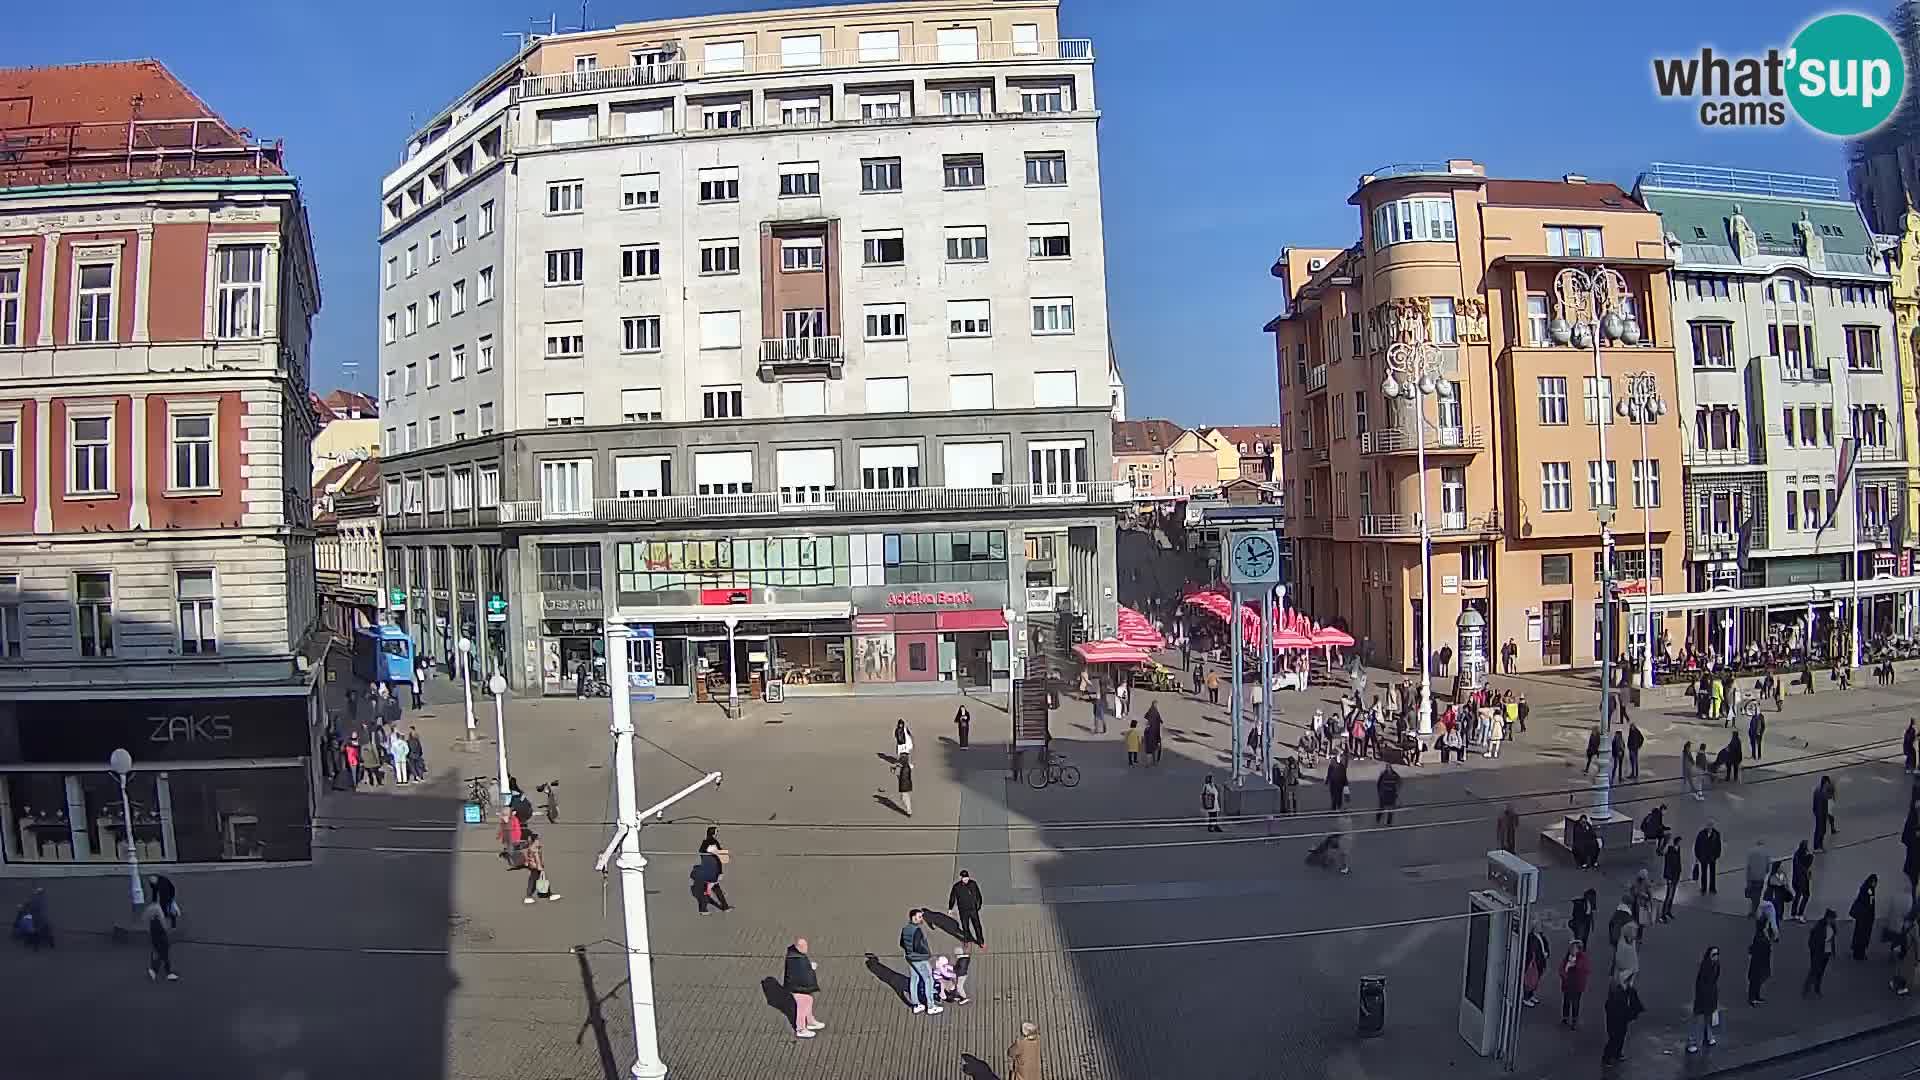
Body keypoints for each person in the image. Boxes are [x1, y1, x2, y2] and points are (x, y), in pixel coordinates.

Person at [899, 909, 941, 1014]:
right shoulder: (917, 930)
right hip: (920, 959)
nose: (922, 919)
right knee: (928, 980)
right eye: (919, 917)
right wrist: (927, 953)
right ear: (913, 917)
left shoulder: (905, 929)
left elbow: (901, 943)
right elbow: (919, 946)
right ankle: (931, 1006)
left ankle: (916, 1005)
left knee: (914, 979)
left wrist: (909, 951)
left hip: (910, 958)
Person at [784, 938, 824, 1038]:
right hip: (798, 988)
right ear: (798, 947)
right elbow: (801, 974)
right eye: (804, 946)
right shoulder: (796, 959)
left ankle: (810, 1021)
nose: (806, 948)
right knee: (802, 1008)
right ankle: (801, 1029)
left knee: (809, 1000)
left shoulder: (796, 956)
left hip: (801, 987)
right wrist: (811, 969)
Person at [1601, 978, 1643, 1067]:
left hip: (1620, 1013)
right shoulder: (1617, 989)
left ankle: (1616, 1054)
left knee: (1620, 1035)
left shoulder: (1625, 989)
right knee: (1615, 1036)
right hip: (1616, 1013)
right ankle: (1607, 1057)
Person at [1687, 946, 1721, 1053]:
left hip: (1711, 995)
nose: (1716, 957)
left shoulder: (1717, 965)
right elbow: (1700, 984)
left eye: (1717, 954)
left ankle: (1708, 1037)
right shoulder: (1705, 967)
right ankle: (1691, 1042)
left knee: (1708, 1019)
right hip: (1703, 997)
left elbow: (1715, 980)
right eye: (1713, 954)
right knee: (1697, 1020)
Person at [1749, 900, 1779, 1004]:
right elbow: (1773, 936)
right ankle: (1753, 997)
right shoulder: (1763, 928)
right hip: (1760, 954)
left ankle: (1755, 996)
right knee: (1757, 976)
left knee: (1757, 976)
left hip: (1760, 954)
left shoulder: (1760, 925)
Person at [948, 869, 986, 947]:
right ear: (961, 878)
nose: (966, 879)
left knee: (977, 926)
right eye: (964, 878)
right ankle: (967, 940)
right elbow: (952, 897)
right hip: (963, 911)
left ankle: (980, 941)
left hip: (973, 910)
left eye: (967, 877)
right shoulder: (956, 887)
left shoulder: (973, 884)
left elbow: (978, 895)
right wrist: (950, 908)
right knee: (965, 927)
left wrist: (978, 906)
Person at [520, 832, 559, 904]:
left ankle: (549, 894)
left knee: (539, 880)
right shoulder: (533, 849)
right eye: (537, 839)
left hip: (535, 866)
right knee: (534, 881)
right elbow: (536, 859)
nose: (539, 840)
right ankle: (529, 897)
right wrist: (540, 867)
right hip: (535, 867)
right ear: (534, 840)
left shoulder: (535, 848)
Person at [1560, 939, 1592, 1029]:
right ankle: (1565, 1017)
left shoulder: (1582, 958)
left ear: (1578, 949)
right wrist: (1563, 974)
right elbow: (1562, 967)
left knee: (1575, 1003)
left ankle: (1574, 1020)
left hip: (1577, 985)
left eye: (1574, 948)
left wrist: (1573, 966)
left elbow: (1585, 969)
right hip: (1567, 984)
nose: (1572, 950)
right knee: (1566, 1001)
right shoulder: (1567, 957)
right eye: (1571, 948)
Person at [1805, 909, 1837, 997]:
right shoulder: (1819, 927)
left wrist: (1832, 952)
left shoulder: (1832, 926)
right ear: (1827, 918)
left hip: (1826, 953)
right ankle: (1807, 988)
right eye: (1832, 919)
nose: (1833, 921)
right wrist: (1814, 951)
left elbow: (1832, 940)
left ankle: (1817, 988)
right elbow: (1812, 942)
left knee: (1821, 972)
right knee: (1814, 970)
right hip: (1818, 953)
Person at [145, 900, 177, 982]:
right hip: (161, 941)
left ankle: (156, 971)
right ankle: (164, 972)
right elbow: (162, 932)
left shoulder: (153, 922)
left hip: (158, 941)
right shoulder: (157, 922)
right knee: (163, 956)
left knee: (161, 956)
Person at [1522, 921, 1551, 1006]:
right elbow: (1531, 952)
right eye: (1538, 926)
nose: (1540, 928)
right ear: (1534, 927)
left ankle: (1531, 995)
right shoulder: (1531, 938)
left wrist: (1546, 953)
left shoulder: (1541, 936)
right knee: (1530, 981)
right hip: (1534, 963)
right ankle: (1526, 997)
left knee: (1535, 980)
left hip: (1540, 962)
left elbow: (1545, 946)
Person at [1852, 875, 1879, 961]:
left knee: (1858, 933)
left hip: (1860, 916)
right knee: (1863, 935)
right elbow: (1871, 903)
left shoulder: (1863, 888)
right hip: (1866, 917)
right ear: (1872, 881)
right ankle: (1860, 954)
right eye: (1875, 882)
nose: (1876, 884)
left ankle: (1856, 953)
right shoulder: (1870, 890)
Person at [1745, 840, 1773, 918]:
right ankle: (1761, 912)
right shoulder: (1766, 852)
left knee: (1753, 896)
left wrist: (1748, 879)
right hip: (1761, 877)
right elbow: (1768, 866)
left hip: (1752, 877)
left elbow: (1748, 866)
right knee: (1762, 895)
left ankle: (1753, 911)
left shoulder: (1750, 852)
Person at [1660, 836, 1684, 923]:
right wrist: (1668, 877)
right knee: (1668, 896)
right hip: (1670, 877)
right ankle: (1663, 914)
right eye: (1680, 842)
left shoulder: (1678, 849)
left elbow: (1678, 862)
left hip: (1676, 876)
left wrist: (1679, 872)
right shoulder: (1670, 850)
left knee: (1672, 895)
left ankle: (1668, 911)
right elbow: (1668, 864)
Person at [1696, 821, 1723, 895]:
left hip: (1712, 857)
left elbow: (1718, 845)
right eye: (1708, 825)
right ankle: (1703, 888)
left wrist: (1717, 855)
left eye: (1710, 825)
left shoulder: (1716, 834)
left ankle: (1712, 888)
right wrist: (1698, 855)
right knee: (1704, 873)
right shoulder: (1701, 834)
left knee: (1712, 873)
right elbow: (1697, 845)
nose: (1709, 827)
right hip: (1703, 856)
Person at [1791, 841, 1815, 922]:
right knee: (1804, 896)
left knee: (1799, 896)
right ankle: (1799, 913)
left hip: (1798, 880)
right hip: (1801, 880)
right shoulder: (1802, 856)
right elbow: (1805, 867)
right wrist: (1810, 857)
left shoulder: (1797, 855)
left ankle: (1795, 913)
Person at [1813, 776, 1837, 852]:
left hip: (1818, 812)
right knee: (1821, 830)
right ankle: (1819, 846)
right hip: (1821, 813)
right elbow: (1826, 800)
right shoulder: (1822, 792)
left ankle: (1817, 846)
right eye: (1828, 783)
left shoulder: (1817, 789)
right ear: (1826, 782)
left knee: (1819, 830)